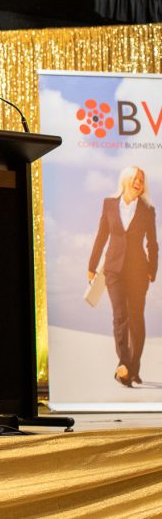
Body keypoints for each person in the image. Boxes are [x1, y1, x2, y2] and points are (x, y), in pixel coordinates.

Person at [88, 165, 158, 387]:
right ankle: (124, 365)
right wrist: (91, 266)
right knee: (120, 316)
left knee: (136, 319)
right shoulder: (109, 204)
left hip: (139, 272)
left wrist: (152, 270)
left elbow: (153, 244)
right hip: (114, 270)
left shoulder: (147, 210)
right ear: (126, 179)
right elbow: (101, 237)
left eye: (142, 180)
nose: (139, 183)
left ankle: (133, 368)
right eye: (135, 179)